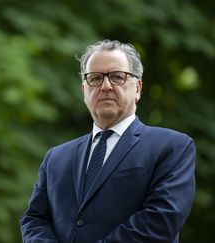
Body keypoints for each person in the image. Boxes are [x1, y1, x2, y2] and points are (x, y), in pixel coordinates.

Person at [20, 39, 196, 243]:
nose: (105, 86)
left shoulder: (172, 147)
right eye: (95, 78)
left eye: (117, 77)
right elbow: (35, 219)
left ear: (138, 88)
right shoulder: (56, 157)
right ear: (84, 90)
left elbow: (161, 219)